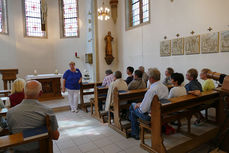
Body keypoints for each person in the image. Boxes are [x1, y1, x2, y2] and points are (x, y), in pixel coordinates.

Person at [7, 80, 59, 153]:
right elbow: (55, 136)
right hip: (40, 150)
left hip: (18, 150)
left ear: (23, 91)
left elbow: (10, 131)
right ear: (41, 93)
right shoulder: (47, 111)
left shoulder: (10, 112)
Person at [129, 68, 168, 139]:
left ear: (151, 78)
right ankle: (134, 130)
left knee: (132, 106)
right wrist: (140, 104)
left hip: (151, 116)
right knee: (134, 109)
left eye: (148, 78)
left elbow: (143, 109)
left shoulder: (151, 90)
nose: (148, 79)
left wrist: (139, 106)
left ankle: (135, 133)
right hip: (162, 112)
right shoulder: (165, 87)